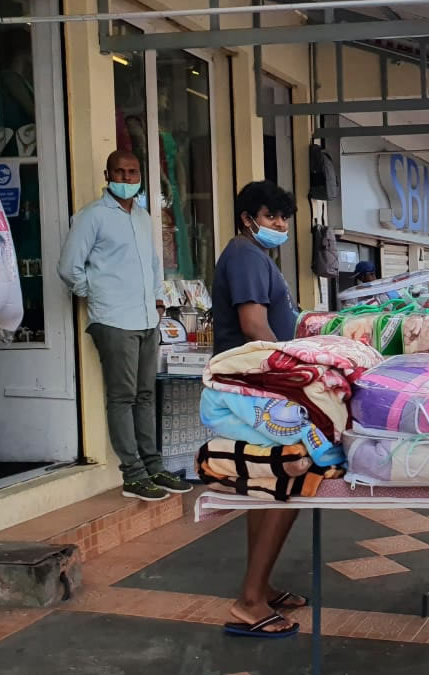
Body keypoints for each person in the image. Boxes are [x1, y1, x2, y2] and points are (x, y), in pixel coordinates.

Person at [59, 150, 192, 502]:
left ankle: (154, 467)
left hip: (147, 319)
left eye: (133, 172)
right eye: (120, 171)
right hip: (113, 320)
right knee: (122, 397)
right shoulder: (91, 217)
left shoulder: (143, 217)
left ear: (139, 177)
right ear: (107, 174)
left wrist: (157, 301)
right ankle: (133, 475)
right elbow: (69, 267)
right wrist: (98, 295)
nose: (127, 177)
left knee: (146, 396)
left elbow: (152, 266)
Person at [212, 179, 305, 637]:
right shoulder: (245, 256)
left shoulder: (253, 255)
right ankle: (249, 600)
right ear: (249, 218)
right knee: (288, 481)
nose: (280, 225)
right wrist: (294, 368)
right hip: (256, 389)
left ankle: (260, 585)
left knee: (266, 487)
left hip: (260, 386)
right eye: (271, 217)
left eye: (284, 217)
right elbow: (253, 324)